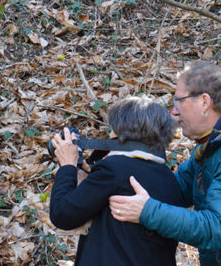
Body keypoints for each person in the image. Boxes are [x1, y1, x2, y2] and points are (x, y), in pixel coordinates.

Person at [109, 61, 221, 266]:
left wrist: (148, 212)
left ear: (204, 102)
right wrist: (109, 177)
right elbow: (174, 188)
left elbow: (219, 228)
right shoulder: (216, 141)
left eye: (179, 101)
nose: (174, 112)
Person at [49, 96, 186, 266]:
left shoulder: (115, 168)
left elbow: (62, 214)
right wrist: (90, 178)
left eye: (112, 129)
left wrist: (67, 165)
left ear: (123, 131)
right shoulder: (170, 180)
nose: (110, 134)